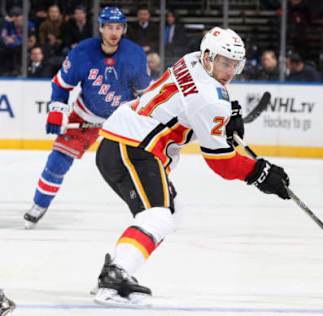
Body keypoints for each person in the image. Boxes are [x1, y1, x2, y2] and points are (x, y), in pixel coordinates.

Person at [92, 26, 291, 307]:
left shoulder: (191, 59)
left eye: (235, 65)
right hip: (134, 148)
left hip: (123, 142)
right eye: (225, 63)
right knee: (159, 216)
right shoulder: (210, 101)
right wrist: (258, 172)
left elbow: (189, 106)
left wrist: (227, 115)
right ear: (208, 57)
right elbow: (221, 162)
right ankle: (115, 278)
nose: (229, 71)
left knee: (171, 212)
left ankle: (120, 266)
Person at [23, 7, 151, 229]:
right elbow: (62, 85)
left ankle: (154, 208)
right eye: (109, 27)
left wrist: (142, 120)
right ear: (101, 28)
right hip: (86, 114)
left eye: (118, 27)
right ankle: (39, 204)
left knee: (141, 163)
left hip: (122, 119)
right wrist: (57, 110)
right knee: (58, 160)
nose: (114, 32)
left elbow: (143, 94)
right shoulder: (83, 52)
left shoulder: (135, 55)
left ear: (124, 29)